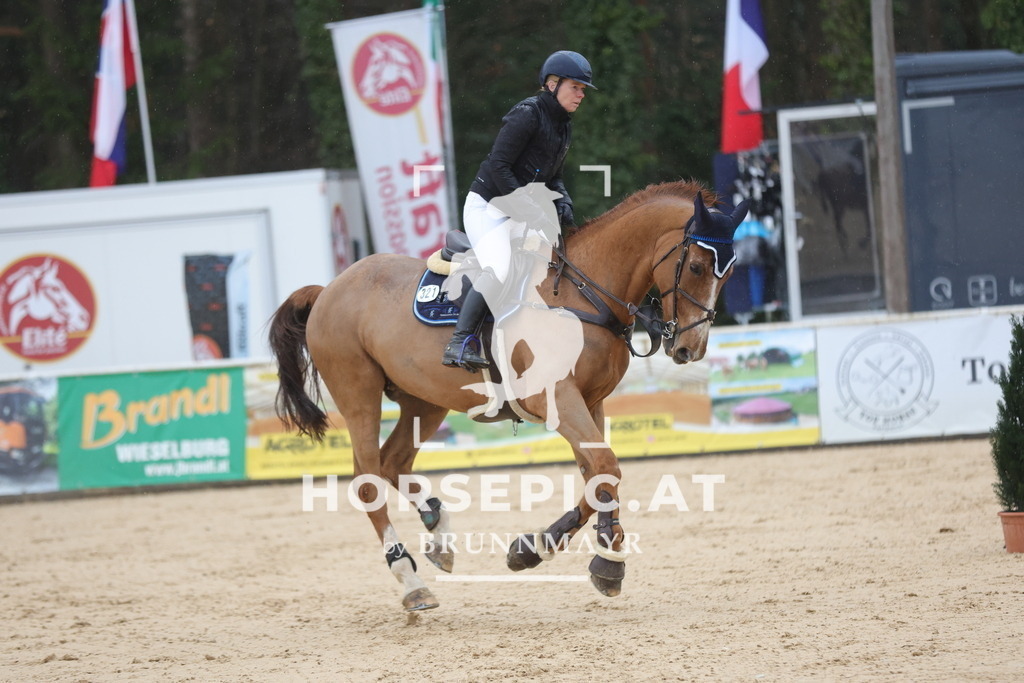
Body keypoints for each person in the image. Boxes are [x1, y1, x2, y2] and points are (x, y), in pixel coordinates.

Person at [442, 50, 597, 371]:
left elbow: (553, 177)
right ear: (552, 84)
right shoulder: (527, 114)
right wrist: (528, 207)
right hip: (488, 207)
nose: (581, 95)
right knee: (499, 266)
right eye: (576, 87)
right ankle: (460, 341)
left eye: (583, 89)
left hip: (519, 210)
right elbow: (499, 166)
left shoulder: (563, 125)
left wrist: (563, 199)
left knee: (553, 262)